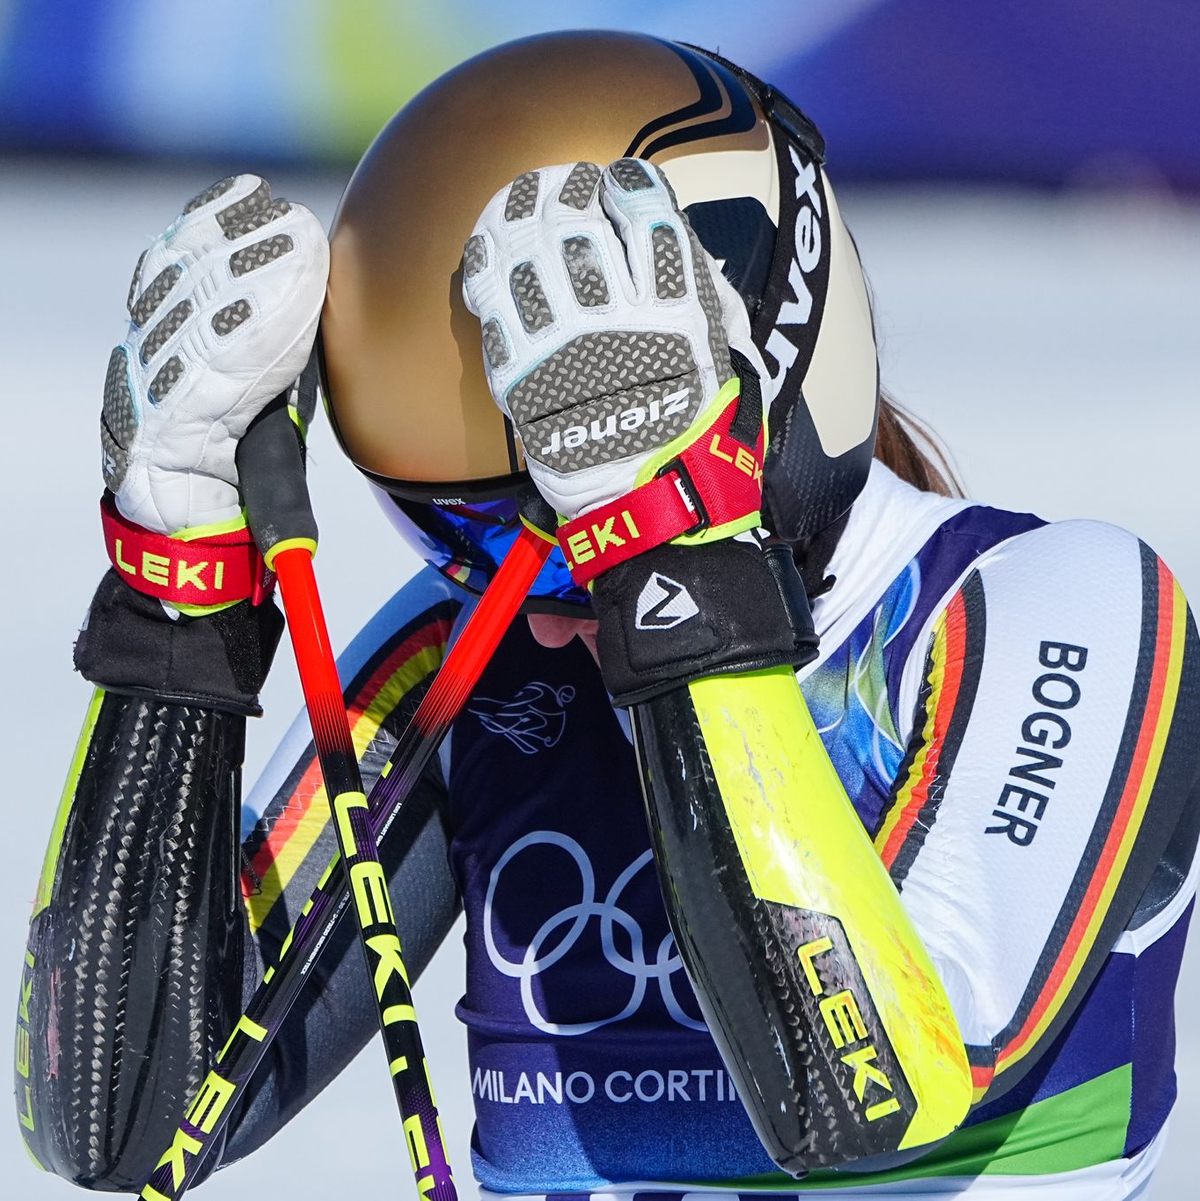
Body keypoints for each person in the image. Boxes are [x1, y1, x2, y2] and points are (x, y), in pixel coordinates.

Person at [15, 30, 1200, 1201]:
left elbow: (872, 1092)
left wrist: (671, 565)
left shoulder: (1064, 606)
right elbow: (126, 1124)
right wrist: (180, 603)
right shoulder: (464, 657)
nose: (534, 619)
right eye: (461, 540)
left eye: (571, 538)